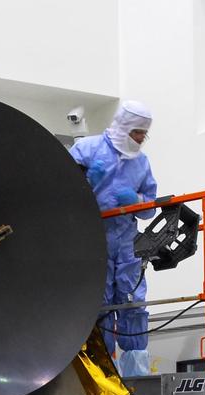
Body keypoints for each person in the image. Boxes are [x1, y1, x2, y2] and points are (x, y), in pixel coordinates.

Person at [70, 100, 158, 376]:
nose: (141, 139)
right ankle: (103, 374)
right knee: (100, 307)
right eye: (137, 132)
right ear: (124, 127)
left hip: (127, 244)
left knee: (134, 304)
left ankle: (136, 376)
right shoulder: (86, 150)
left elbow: (150, 207)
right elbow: (62, 195)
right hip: (92, 241)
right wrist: (87, 183)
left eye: (144, 134)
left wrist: (138, 200)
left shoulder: (141, 163)